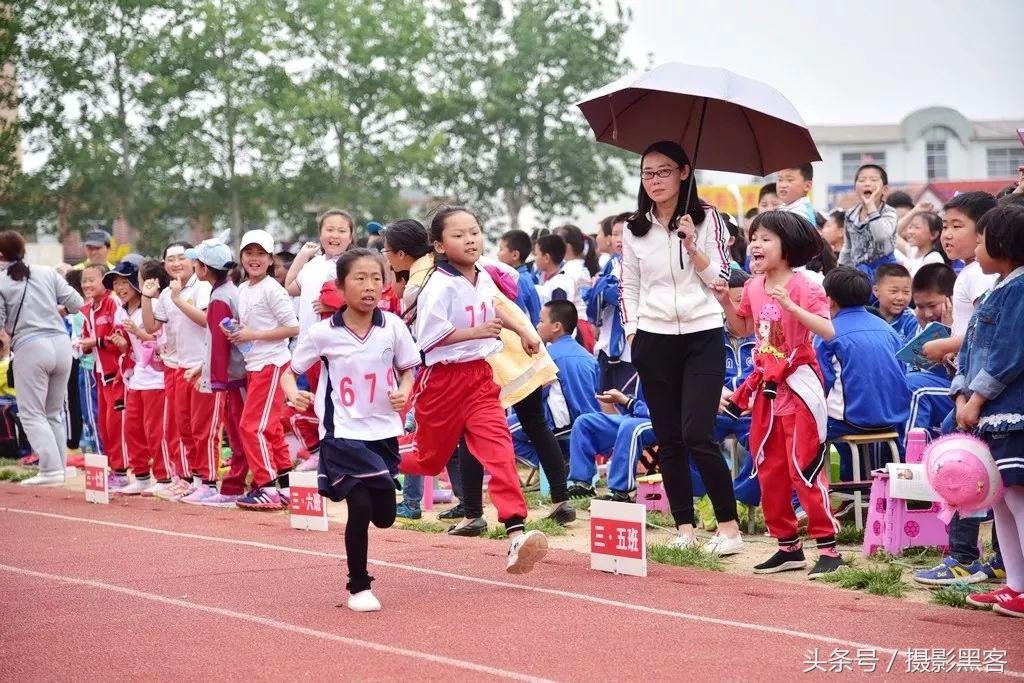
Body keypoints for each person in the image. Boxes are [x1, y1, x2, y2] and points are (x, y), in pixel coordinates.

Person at [397, 205, 550, 573]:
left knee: (500, 451)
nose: (470, 239)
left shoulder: (481, 275)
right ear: (438, 244)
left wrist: (526, 332)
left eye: (475, 232)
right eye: (458, 234)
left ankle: (515, 531)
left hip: (480, 379)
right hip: (442, 383)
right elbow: (428, 340)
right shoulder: (437, 284)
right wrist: (476, 332)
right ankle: (373, 454)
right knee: (429, 461)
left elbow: (501, 309)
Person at [621, 140, 741, 554]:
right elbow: (630, 286)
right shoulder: (633, 227)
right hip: (653, 339)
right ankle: (685, 528)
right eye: (647, 173)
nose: (654, 181)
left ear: (684, 173)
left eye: (664, 172)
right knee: (668, 437)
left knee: (697, 433)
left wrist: (691, 245)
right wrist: (633, 333)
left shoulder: (709, 220)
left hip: (702, 333)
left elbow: (722, 278)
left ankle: (729, 529)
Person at [282, 249, 417, 612]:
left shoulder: (393, 326)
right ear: (340, 286)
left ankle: (373, 503)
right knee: (358, 507)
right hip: (341, 432)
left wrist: (404, 392)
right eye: (359, 278)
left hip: (384, 431)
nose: (369, 286)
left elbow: (408, 369)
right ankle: (359, 587)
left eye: (376, 278)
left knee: (385, 516)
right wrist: (294, 394)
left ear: (386, 285)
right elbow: (289, 371)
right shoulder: (322, 333)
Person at [715, 211, 841, 577]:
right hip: (767, 391)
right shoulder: (754, 286)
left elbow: (827, 330)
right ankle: (788, 547)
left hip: (799, 386)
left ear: (789, 247)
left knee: (805, 467)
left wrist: (791, 306)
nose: (756, 243)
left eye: (766, 237)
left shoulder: (806, 284)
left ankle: (829, 548)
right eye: (754, 236)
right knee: (768, 468)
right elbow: (743, 327)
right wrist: (725, 301)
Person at [954, 204, 1024, 616]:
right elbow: (967, 352)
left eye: (980, 239)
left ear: (1004, 243)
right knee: (999, 498)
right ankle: (1015, 585)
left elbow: (1010, 353)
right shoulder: (995, 291)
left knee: (1016, 497)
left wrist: (977, 397)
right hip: (985, 412)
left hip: (1010, 412)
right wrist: (962, 394)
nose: (975, 247)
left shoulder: (1018, 289)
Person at [0, 231, 84, 485]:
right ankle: (60, 467)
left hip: (30, 346)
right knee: (53, 412)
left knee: (31, 413)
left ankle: (49, 469)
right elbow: (77, 302)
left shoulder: (1, 281)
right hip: (61, 344)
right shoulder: (46, 272)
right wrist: (52, 310)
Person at [815, 267, 910, 481]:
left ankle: (802, 500)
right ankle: (855, 486)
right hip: (893, 418)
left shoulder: (828, 331)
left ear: (828, 300)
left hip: (852, 420)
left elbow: (821, 382)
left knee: (805, 428)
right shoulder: (888, 329)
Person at [230, 230, 300, 509]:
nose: (254, 259)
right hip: (255, 363)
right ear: (242, 257)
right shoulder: (243, 289)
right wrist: (239, 334)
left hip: (272, 363)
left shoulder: (273, 288)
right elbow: (249, 328)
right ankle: (285, 486)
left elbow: (293, 327)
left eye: (260, 254)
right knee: (268, 428)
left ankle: (267, 486)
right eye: (249, 253)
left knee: (251, 427)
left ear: (270, 259)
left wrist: (252, 335)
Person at [178, 237, 250, 505]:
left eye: (196, 262)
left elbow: (220, 346)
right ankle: (236, 484)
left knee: (238, 432)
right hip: (233, 375)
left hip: (232, 377)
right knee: (236, 432)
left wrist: (213, 382)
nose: (194, 265)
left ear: (204, 269)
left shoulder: (220, 297)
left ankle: (235, 487)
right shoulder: (226, 291)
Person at [103, 260, 169, 495]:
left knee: (155, 430)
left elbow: (161, 343)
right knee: (132, 428)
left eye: (124, 281)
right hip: (136, 378)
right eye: (116, 283)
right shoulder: (121, 310)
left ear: (136, 282)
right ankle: (141, 476)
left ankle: (164, 478)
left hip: (157, 379)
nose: (120, 287)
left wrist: (137, 332)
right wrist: (123, 346)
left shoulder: (152, 305)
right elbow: (133, 350)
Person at [510, 301, 599, 470]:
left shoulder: (548, 356)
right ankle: (561, 460)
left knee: (503, 430)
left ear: (556, 326)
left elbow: (536, 394)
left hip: (559, 421)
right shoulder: (588, 356)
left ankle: (554, 464)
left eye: (541, 321)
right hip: (587, 419)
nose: (537, 325)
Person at [922, 192, 998, 368]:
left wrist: (945, 345)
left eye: (956, 227)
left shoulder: (979, 272)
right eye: (945, 226)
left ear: (983, 231)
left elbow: (987, 330)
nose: (947, 234)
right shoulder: (971, 269)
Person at [584, 216, 636, 394]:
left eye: (625, 234)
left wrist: (602, 288)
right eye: (615, 234)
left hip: (629, 349)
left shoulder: (639, 264)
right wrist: (599, 288)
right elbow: (593, 295)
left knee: (624, 399)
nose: (619, 239)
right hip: (607, 344)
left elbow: (622, 296)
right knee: (604, 397)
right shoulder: (613, 264)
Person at [285, 208, 355, 335]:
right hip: (307, 340)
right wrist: (302, 256)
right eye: (329, 230)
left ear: (350, 238)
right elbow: (289, 288)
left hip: (340, 343)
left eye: (342, 231)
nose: (335, 235)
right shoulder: (313, 264)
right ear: (320, 235)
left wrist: (338, 307)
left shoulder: (355, 266)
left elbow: (367, 303)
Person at [838, 164, 898, 279]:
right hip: (858, 274)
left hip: (884, 273)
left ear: (884, 190)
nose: (867, 183)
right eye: (861, 180)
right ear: (855, 188)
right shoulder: (850, 214)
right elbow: (848, 246)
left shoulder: (889, 212)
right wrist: (841, 269)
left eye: (874, 180)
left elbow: (881, 236)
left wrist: (870, 206)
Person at [497, 229, 541, 326]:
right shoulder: (526, 276)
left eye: (501, 249)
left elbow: (518, 315)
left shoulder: (517, 280)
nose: (497, 254)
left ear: (515, 255)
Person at [873, 263, 918, 342]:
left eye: (906, 292)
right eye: (894, 291)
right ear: (876, 291)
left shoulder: (913, 320)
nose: (900, 297)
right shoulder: (868, 316)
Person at [901, 210, 947, 278]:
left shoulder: (933, 259)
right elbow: (893, 235)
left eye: (917, 227)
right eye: (910, 227)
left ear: (933, 234)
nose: (911, 232)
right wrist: (915, 210)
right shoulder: (912, 251)